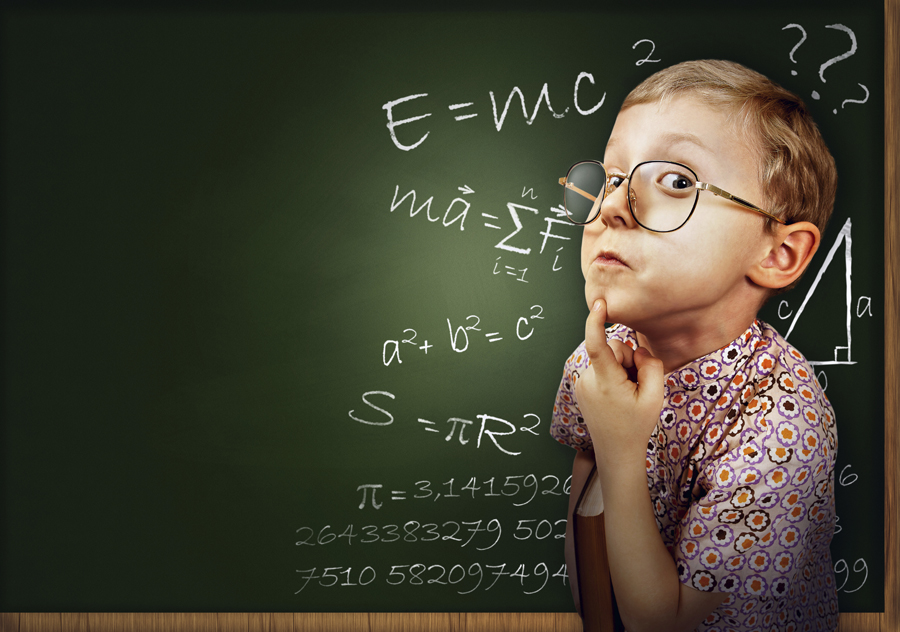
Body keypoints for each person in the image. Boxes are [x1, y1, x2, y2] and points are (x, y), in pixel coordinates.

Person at [550, 59, 839, 632]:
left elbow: (672, 625)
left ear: (779, 254)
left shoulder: (784, 424)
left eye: (677, 181)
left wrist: (620, 448)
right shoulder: (598, 361)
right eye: (610, 179)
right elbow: (590, 568)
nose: (608, 206)